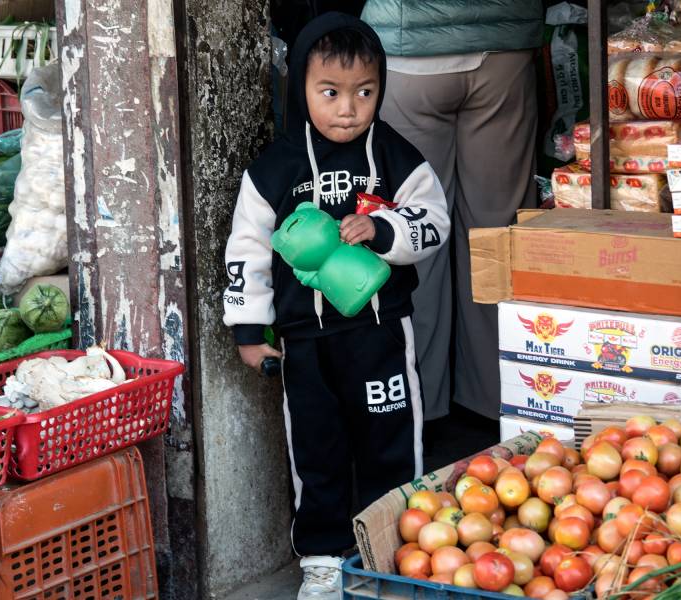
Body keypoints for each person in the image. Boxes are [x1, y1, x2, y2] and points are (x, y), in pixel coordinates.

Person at [222, 12, 449, 600]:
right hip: (305, 342)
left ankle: (398, 552)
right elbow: (246, 250)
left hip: (380, 335)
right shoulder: (273, 169)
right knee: (316, 454)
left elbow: (435, 223)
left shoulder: (399, 158)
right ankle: (323, 561)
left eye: (365, 93)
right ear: (299, 86)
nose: (348, 109)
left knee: (391, 443)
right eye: (330, 93)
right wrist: (250, 331)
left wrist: (383, 229)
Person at [361, 1, 544, 422]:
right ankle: (499, 399)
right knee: (498, 230)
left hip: (407, 55)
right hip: (504, 49)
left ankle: (417, 401)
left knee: (413, 232)